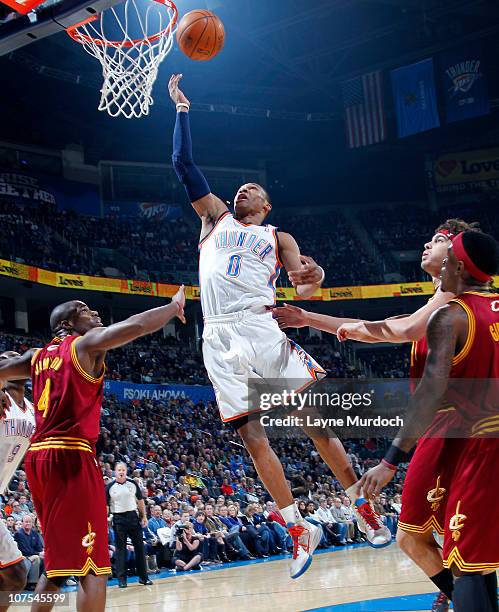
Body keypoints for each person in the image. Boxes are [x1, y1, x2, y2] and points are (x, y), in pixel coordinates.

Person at [168, 73, 390, 579]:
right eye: (239, 187)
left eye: (253, 189)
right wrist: (182, 110)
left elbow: (305, 287)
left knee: (316, 424)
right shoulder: (214, 221)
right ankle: (297, 528)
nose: (242, 189)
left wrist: (318, 276)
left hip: (259, 326)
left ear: (266, 206)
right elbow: (183, 164)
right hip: (216, 336)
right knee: (250, 435)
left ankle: (363, 507)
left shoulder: (278, 235)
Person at [274, 219, 478, 612]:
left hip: (460, 431)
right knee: (440, 534)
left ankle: (463, 597)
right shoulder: (445, 301)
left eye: (437, 240)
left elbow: (397, 330)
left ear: (456, 253)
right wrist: (312, 318)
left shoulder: (453, 301)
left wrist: (389, 460)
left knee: (424, 535)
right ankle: (459, 593)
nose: (425, 244)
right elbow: (383, 329)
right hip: (450, 430)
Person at [0, 288, 185, 612]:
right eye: (86, 310)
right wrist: (172, 307)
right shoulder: (84, 344)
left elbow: (4, 370)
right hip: (71, 455)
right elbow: (135, 326)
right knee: (94, 566)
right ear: (68, 324)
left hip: (38, 457)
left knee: (58, 566)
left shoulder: (36, 356)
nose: (95, 314)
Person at [360, 231, 499, 612]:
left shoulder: (451, 317)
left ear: (456, 267)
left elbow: (428, 394)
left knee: (465, 563)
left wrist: (390, 460)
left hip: (480, 442)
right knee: (478, 559)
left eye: (448, 254)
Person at [0, 351, 35, 608]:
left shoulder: (33, 410)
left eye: (17, 356)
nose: (15, 358)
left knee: (15, 575)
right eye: (7, 358)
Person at [106, 462, 152, 588]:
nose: (121, 472)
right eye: (119, 470)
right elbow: (106, 506)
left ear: (126, 471)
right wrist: (105, 520)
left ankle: (144, 577)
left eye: (123, 470)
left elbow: (140, 501)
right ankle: (122, 580)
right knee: (121, 549)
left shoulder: (133, 484)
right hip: (118, 518)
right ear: (115, 472)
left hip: (133, 517)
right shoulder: (110, 487)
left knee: (140, 547)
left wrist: (144, 516)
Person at [13, 515, 44, 590]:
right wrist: (38, 553)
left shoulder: (34, 533)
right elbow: (24, 550)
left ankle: (42, 582)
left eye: (30, 522)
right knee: (36, 558)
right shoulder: (19, 534)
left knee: (44, 558)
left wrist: (41, 552)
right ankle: (31, 583)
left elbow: (38, 546)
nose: (28, 524)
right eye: (26, 522)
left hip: (32, 554)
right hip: (22, 556)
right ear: (22, 523)